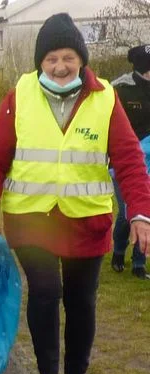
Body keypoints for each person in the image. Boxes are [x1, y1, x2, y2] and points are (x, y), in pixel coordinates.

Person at [0, 13, 150, 374]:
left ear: (81, 59)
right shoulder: (20, 94)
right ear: (40, 61)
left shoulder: (105, 96)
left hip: (86, 223)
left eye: (68, 57)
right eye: (51, 58)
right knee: (46, 292)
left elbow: (129, 160)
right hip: (31, 220)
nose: (60, 66)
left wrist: (140, 213)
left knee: (81, 301)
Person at [110, 44, 150, 279]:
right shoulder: (121, 90)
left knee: (145, 210)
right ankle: (117, 250)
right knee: (127, 212)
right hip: (125, 164)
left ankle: (138, 263)